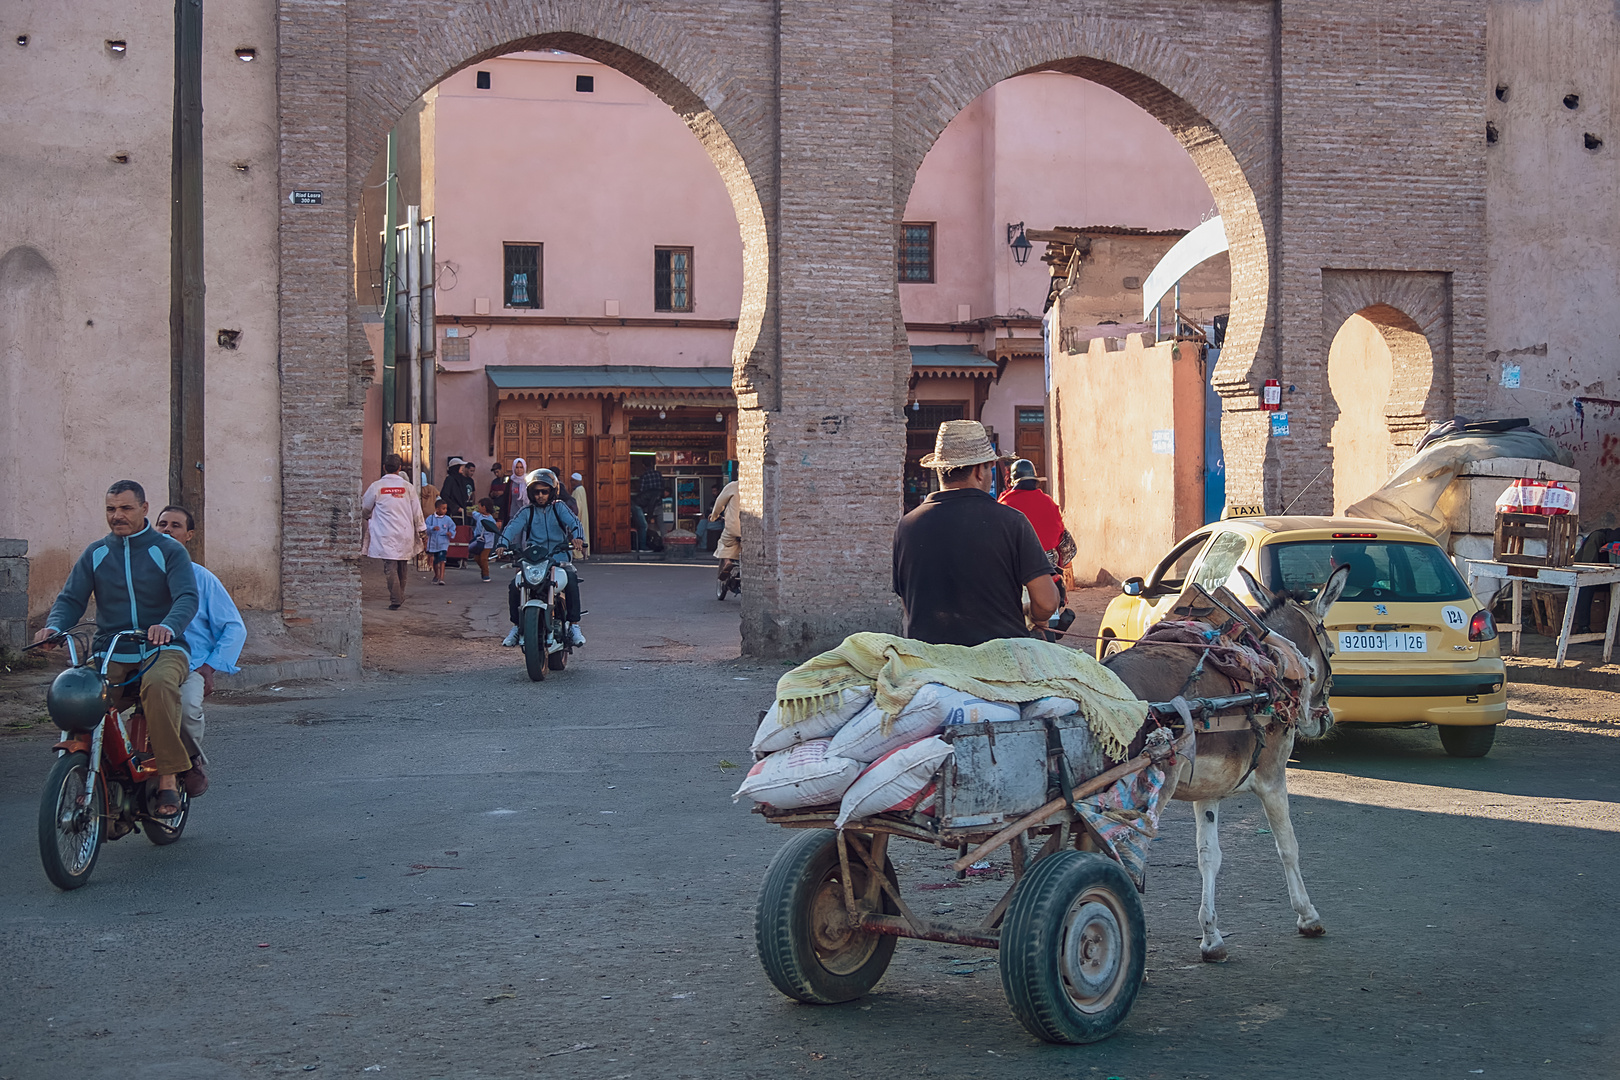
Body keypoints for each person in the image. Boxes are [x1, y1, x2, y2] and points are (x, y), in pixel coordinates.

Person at [34, 480, 199, 815]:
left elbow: (186, 597)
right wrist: (54, 627)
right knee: (79, 690)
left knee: (158, 686)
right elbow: (70, 599)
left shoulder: (168, 550)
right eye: (111, 509)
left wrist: (167, 626)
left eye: (125, 508)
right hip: (110, 649)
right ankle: (86, 767)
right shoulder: (96, 553)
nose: (117, 516)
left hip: (163, 649)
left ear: (144, 509)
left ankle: (168, 778)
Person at [892, 420, 1059, 646]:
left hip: (930, 661)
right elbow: (1047, 603)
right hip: (1002, 659)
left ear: (940, 470)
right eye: (990, 467)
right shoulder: (1012, 521)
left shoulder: (906, 527)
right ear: (979, 471)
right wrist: (1033, 615)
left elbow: (908, 605)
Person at [154, 505, 246, 797]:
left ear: (189, 535)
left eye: (175, 526)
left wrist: (210, 667)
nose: (167, 530)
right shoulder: (142, 575)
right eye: (162, 524)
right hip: (141, 662)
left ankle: (190, 762)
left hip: (189, 664)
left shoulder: (202, 579)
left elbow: (234, 627)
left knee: (187, 711)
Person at [496, 470, 587, 648]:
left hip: (559, 557)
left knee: (571, 579)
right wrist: (502, 544)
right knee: (515, 585)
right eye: (536, 492)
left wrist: (578, 538)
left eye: (544, 491)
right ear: (531, 493)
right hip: (533, 559)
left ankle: (574, 626)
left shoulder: (559, 507)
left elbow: (574, 523)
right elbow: (512, 526)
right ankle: (516, 626)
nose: (540, 495)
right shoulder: (526, 511)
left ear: (551, 492)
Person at [361, 453, 426, 609]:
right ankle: (399, 595)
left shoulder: (376, 486)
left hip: (385, 534)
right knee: (402, 565)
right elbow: (417, 512)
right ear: (399, 468)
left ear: (384, 468)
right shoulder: (408, 488)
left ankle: (396, 598)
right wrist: (422, 531)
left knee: (390, 566)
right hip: (405, 533)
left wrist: (368, 516)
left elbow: (365, 508)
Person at [710, 476, 741, 583]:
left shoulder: (733, 486)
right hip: (752, 529)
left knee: (724, 542)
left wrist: (714, 516)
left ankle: (727, 561)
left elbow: (719, 503)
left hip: (734, 527)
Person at [424, 498, 455, 585]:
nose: (445, 510)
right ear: (437, 509)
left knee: (442, 559)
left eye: (446, 508)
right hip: (433, 543)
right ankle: (436, 575)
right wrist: (432, 528)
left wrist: (450, 533)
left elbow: (453, 528)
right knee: (435, 560)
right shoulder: (430, 518)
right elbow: (425, 527)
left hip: (443, 543)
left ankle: (441, 578)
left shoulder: (448, 519)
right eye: (443, 508)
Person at [468, 498, 500, 581]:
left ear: (484, 507)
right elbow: (474, 513)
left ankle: (486, 574)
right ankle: (483, 568)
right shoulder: (479, 516)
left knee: (483, 558)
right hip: (478, 540)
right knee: (477, 558)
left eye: (479, 506)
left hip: (487, 542)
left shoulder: (491, 520)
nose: (478, 508)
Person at [442, 456, 476, 523]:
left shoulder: (460, 479)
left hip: (462, 512)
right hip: (453, 514)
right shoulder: (450, 479)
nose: (462, 469)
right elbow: (444, 495)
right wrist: (455, 508)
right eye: (461, 466)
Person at [569, 472, 591, 558]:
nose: (571, 483)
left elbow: (577, 506)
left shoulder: (578, 490)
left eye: (572, 481)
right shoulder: (581, 489)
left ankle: (578, 553)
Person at [506, 456, 530, 521]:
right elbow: (506, 498)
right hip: (513, 513)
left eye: (521, 467)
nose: (519, 470)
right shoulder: (511, 481)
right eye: (517, 467)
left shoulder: (528, 481)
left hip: (526, 513)